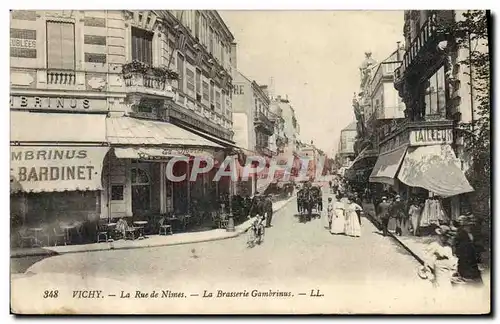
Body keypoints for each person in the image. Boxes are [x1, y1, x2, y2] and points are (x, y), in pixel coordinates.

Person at [452, 215, 483, 285]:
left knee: (472, 270)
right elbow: (455, 244)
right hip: (464, 254)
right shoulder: (460, 233)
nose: (469, 227)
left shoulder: (469, 233)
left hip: (470, 255)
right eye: (467, 225)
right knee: (466, 271)